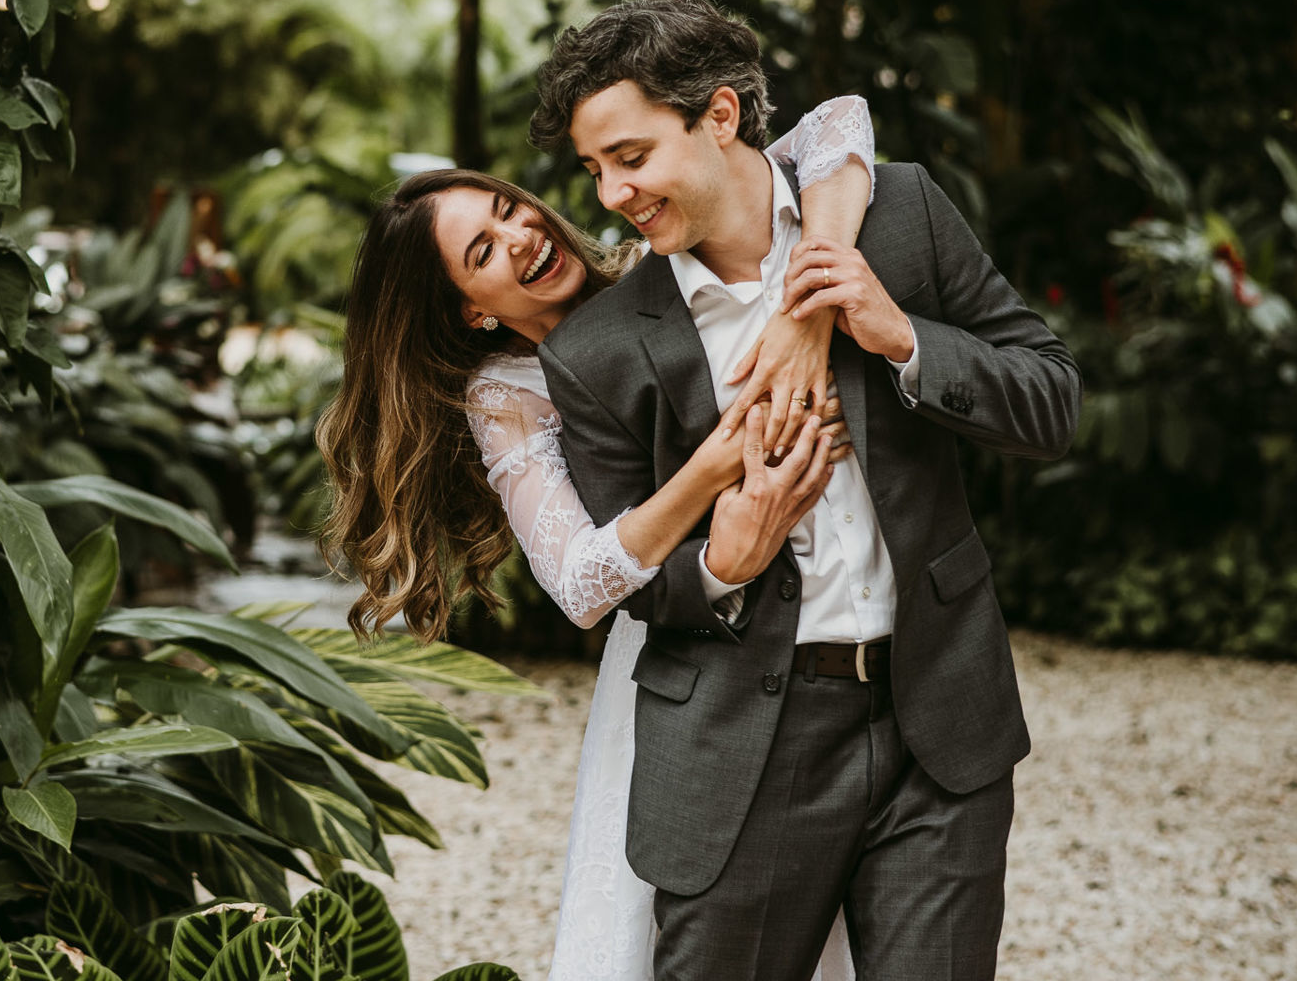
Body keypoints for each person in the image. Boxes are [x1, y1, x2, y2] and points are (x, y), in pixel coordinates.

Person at [531, 0, 1081, 981]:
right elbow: (634, 580)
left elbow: (1051, 400)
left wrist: (900, 334)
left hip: (938, 723)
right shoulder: (597, 351)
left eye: (631, 155)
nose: (612, 192)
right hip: (739, 750)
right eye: (594, 168)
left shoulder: (899, 215)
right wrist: (723, 561)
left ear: (720, 116)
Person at [319, 95, 879, 980]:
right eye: (482, 252)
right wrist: (714, 467)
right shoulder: (509, 393)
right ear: (469, 310)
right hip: (682, 663)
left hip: (833, 613)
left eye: (507, 209)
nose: (521, 237)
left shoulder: (661, 257)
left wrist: (815, 286)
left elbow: (839, 121)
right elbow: (581, 583)